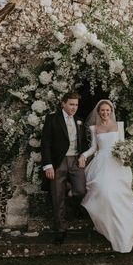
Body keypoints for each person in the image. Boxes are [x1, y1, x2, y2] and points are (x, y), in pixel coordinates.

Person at [79, 100, 133, 253]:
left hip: (117, 162)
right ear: (98, 112)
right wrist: (83, 155)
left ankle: (124, 229)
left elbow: (122, 144)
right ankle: (105, 225)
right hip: (101, 162)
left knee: (118, 194)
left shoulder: (118, 125)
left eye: (107, 110)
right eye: (102, 110)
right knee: (103, 191)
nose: (105, 113)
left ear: (111, 111)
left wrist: (126, 155)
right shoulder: (95, 127)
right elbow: (94, 147)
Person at [41, 92, 87, 244]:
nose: (74, 108)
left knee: (80, 190)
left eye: (76, 105)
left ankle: (69, 188)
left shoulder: (79, 121)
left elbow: (84, 144)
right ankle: (60, 230)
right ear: (63, 103)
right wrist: (48, 165)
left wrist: (83, 156)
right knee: (57, 196)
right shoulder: (52, 119)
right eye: (71, 104)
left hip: (75, 161)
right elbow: (46, 142)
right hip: (58, 162)